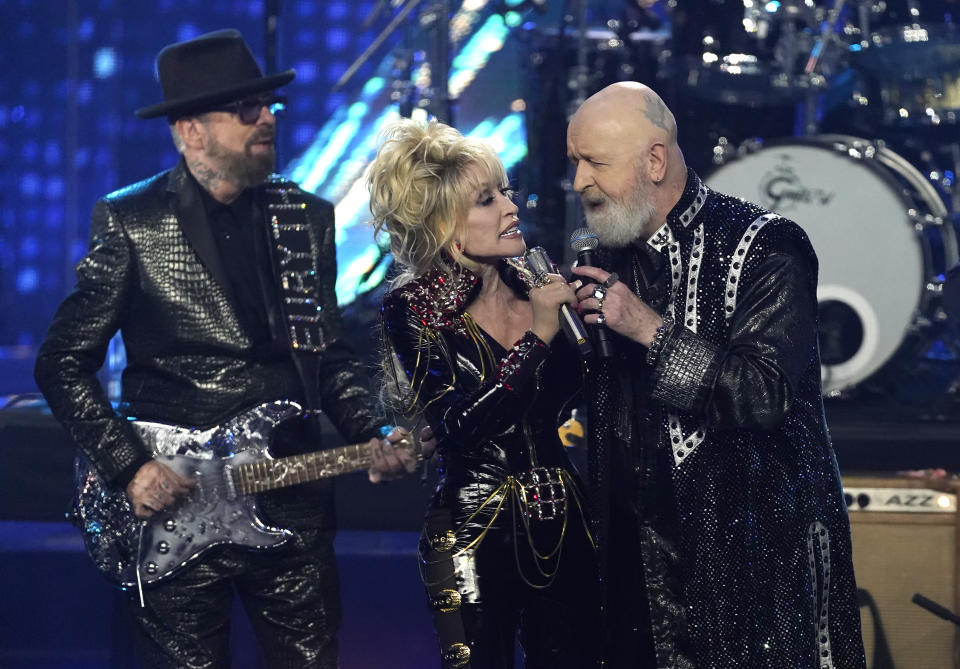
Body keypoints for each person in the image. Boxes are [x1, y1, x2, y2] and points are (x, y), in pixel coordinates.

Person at [33, 29, 417, 668]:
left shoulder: (305, 217)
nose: (267, 119)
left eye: (268, 106)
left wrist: (374, 427)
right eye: (246, 109)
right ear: (191, 131)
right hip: (176, 504)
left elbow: (330, 356)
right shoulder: (132, 221)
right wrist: (130, 466)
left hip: (290, 503)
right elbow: (62, 362)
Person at [565, 81, 866, 668]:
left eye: (595, 163)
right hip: (632, 565)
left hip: (750, 567)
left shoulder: (764, 246)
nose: (579, 183)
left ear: (655, 160)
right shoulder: (606, 253)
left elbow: (765, 394)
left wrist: (650, 329)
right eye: (575, 163)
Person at [370, 119, 597, 668]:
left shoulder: (538, 285)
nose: (511, 208)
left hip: (565, 516)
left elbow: (581, 392)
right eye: (487, 200)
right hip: (475, 527)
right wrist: (540, 335)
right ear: (446, 224)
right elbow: (461, 425)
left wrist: (594, 322)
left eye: (507, 193)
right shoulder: (415, 308)